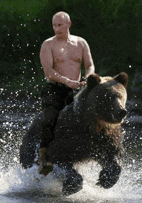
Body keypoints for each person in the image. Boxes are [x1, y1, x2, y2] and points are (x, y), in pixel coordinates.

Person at [39, 11, 95, 175]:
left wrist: (89, 77)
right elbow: (48, 71)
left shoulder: (81, 43)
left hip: (77, 89)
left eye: (60, 25)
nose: (56, 28)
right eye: (54, 25)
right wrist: (67, 81)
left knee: (91, 116)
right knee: (50, 118)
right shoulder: (48, 45)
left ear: (69, 24)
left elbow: (90, 64)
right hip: (55, 89)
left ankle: (91, 153)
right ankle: (44, 157)